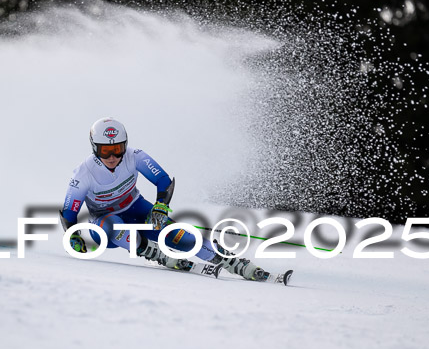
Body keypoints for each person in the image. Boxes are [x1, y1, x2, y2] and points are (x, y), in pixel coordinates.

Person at [59, 117, 270, 281]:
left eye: (117, 149)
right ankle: (155, 253)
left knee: (182, 238)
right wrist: (73, 236)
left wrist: (160, 206)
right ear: (95, 148)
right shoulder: (83, 173)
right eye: (106, 151)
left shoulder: (135, 156)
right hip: (105, 225)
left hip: (137, 210)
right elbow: (69, 213)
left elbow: (163, 180)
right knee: (114, 224)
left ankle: (229, 261)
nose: (113, 156)